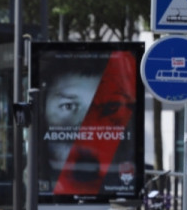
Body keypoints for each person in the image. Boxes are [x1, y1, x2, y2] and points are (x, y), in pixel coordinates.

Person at [39, 50, 137, 197]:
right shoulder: (30, 183)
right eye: (68, 106)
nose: (85, 126)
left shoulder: (123, 180)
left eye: (107, 108)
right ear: (42, 110)